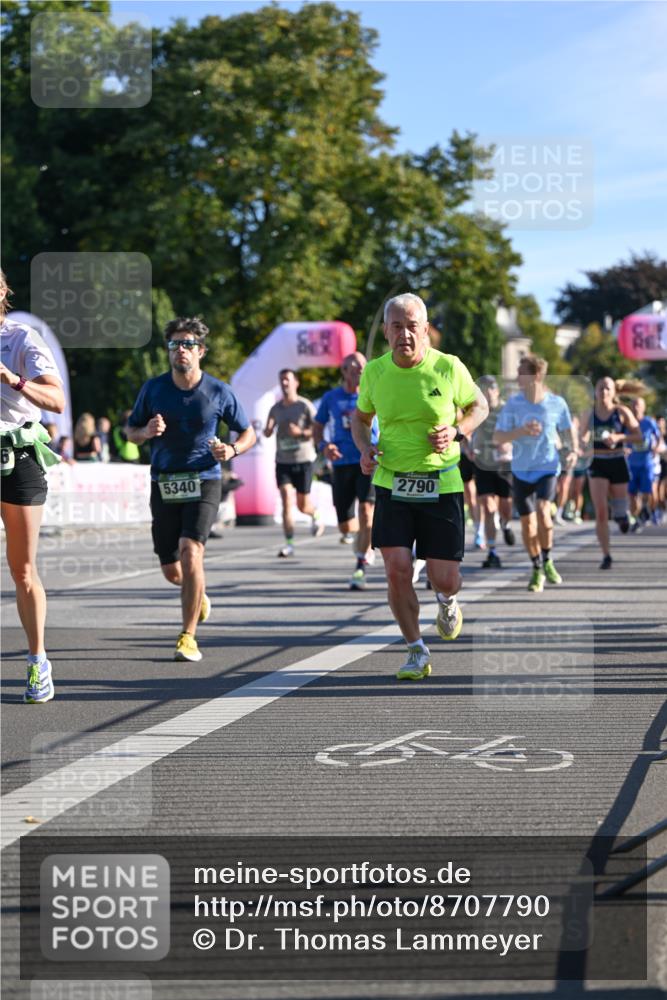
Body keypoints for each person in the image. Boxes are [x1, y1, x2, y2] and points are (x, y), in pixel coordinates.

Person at [352, 293, 488, 682]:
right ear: (386, 331)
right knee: (396, 568)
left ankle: (447, 600)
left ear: (425, 331)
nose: (405, 334)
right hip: (392, 480)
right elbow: (360, 419)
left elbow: (480, 406)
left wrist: (457, 431)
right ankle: (415, 650)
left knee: (444, 577)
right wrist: (364, 448)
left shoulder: (448, 367)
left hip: (441, 483)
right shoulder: (375, 372)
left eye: (413, 327)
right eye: (397, 326)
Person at [126, 316, 256, 662]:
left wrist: (231, 450)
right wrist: (146, 432)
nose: (180, 350)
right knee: (173, 570)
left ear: (200, 351)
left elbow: (248, 432)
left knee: (191, 550)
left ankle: (188, 636)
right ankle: (197, 592)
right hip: (164, 481)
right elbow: (130, 431)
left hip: (204, 479)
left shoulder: (218, 391)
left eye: (187, 344)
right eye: (174, 344)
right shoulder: (153, 389)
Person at [0, 268, 65, 703]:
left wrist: (13, 380)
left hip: (16, 456)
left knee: (22, 569)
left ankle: (38, 660)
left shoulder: (20, 339)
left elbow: (56, 401)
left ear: (2, 292)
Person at [493, 354, 577, 591]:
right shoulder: (513, 404)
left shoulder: (557, 404)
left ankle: (548, 558)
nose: (518, 376)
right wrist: (519, 431)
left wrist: (573, 451)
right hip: (521, 471)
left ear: (536, 375)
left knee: (543, 512)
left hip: (547, 466)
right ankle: (537, 566)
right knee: (528, 525)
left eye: (522, 372)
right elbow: (498, 436)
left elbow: (568, 432)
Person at [313, 352, 376, 590]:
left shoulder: (374, 394)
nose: (357, 369)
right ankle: (363, 541)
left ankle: (360, 565)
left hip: (368, 459)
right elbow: (317, 427)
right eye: (352, 366)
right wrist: (324, 446)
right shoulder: (331, 398)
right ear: (344, 371)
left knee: (367, 512)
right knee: (346, 526)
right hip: (341, 464)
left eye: (361, 366)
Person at [264, 368, 324, 558]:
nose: (284, 383)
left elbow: (317, 431)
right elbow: (268, 429)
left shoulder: (304, 406)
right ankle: (289, 543)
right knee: (286, 498)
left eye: (288, 380)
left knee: (302, 505)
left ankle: (315, 514)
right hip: (283, 461)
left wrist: (300, 433)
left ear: (296, 382)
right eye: (282, 380)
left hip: (303, 460)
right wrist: (267, 430)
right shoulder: (276, 408)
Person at [581, 377, 640, 568]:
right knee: (600, 512)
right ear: (595, 391)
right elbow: (581, 437)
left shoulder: (621, 412)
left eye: (608, 388)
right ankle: (606, 555)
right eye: (600, 388)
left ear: (614, 392)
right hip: (597, 461)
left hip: (617, 460)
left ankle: (623, 517)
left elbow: (638, 436)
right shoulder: (589, 414)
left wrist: (619, 436)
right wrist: (582, 445)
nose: (604, 392)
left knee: (620, 510)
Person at [470, 374, 515, 568]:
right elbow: (469, 430)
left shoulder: (507, 410)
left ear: (497, 391)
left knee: (505, 506)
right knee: (488, 507)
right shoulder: (478, 409)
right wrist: (470, 448)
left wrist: (509, 443)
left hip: (504, 464)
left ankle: (505, 523)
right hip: (483, 463)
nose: (488, 392)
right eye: (484, 388)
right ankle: (492, 551)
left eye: (491, 388)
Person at [627, 396, 661, 528]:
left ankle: (645, 507)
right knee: (632, 494)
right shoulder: (627, 422)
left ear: (643, 407)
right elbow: (621, 437)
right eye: (633, 404)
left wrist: (656, 448)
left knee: (647, 491)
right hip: (631, 464)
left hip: (647, 463)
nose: (635, 407)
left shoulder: (649, 422)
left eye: (638, 405)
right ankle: (635, 518)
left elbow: (658, 437)